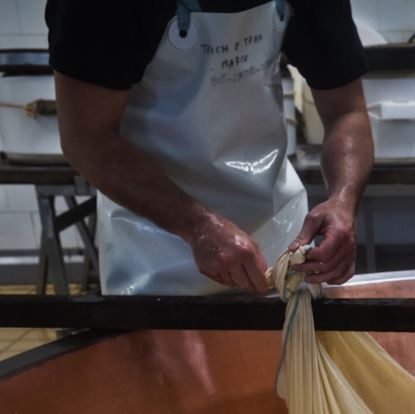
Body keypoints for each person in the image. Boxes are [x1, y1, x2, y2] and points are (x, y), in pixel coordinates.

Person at [46, 0, 373, 295]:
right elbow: (87, 139)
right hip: (154, 242)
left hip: (278, 224)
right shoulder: (92, 8)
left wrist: (343, 202)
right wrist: (196, 224)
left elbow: (346, 111)